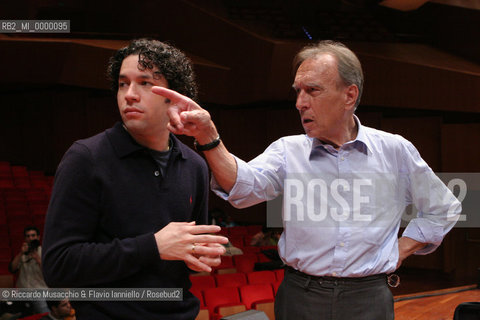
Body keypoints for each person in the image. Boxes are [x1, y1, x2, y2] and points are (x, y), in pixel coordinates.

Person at [152, 40, 462, 320]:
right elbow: (242, 187)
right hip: (300, 297)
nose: (300, 102)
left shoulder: (395, 150)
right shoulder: (288, 150)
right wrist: (209, 137)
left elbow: (444, 208)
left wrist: (401, 249)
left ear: (349, 95)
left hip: (368, 300)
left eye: (312, 90)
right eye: (298, 91)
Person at [41, 39, 228, 320]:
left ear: (174, 94)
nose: (129, 94)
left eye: (144, 83)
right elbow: (58, 266)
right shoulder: (86, 158)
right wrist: (152, 247)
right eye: (122, 83)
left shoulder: (195, 166)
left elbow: (184, 258)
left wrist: (200, 255)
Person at [9, 226, 49, 315]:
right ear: (25, 238)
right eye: (28, 236)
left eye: (33, 235)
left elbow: (49, 273)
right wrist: (21, 253)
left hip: (39, 291)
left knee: (44, 312)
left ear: (38, 237)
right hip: (22, 291)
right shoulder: (22, 253)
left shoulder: (44, 252)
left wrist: (37, 259)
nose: (30, 238)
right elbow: (12, 268)